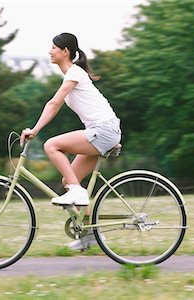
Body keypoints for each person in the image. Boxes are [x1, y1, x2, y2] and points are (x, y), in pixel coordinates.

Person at [20, 33, 122, 250]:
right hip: (103, 131)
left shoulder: (74, 73)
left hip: (103, 130)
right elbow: (54, 105)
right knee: (69, 181)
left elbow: (54, 104)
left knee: (51, 145)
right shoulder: (72, 74)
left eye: (54, 48)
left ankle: (78, 192)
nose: (50, 51)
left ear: (65, 51)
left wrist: (35, 130)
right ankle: (89, 236)